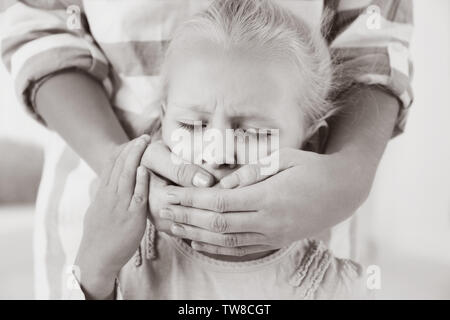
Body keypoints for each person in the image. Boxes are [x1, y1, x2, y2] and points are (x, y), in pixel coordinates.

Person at [0, 0, 413, 299]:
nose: (215, 152)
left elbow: (373, 35)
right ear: (160, 124)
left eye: (250, 130)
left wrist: (350, 175)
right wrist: (94, 266)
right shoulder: (125, 259)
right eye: (192, 125)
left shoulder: (333, 283)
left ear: (314, 140)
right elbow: (36, 25)